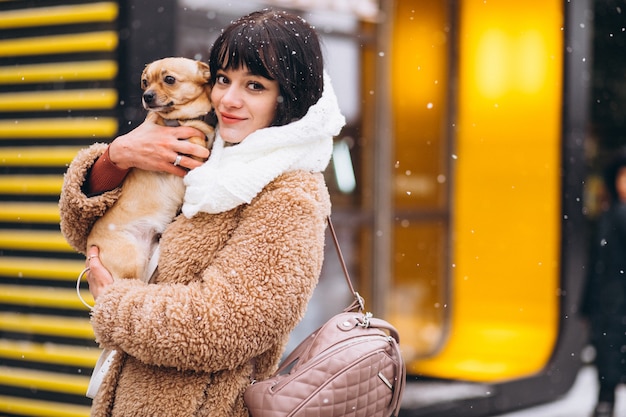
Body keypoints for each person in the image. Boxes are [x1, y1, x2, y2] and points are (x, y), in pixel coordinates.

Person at [59, 9, 345, 416]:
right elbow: (81, 229)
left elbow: (224, 327)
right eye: (223, 79)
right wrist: (116, 158)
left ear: (288, 98)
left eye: (255, 86)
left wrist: (115, 302)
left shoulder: (289, 194)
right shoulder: (211, 158)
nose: (229, 98)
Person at [582, 151, 626, 417]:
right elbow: (596, 265)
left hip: (617, 304)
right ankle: (604, 404)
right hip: (608, 305)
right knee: (607, 362)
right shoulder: (608, 216)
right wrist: (587, 306)